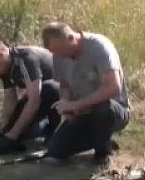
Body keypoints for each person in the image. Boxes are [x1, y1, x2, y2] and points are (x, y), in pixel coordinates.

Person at [41, 22, 129, 167]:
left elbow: (113, 89)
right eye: (54, 52)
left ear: (71, 38)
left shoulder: (99, 48)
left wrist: (76, 104)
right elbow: (64, 85)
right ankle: (99, 139)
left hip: (112, 109)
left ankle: (103, 152)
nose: (58, 56)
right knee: (56, 151)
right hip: (81, 111)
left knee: (103, 107)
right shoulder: (58, 54)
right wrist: (65, 106)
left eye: (60, 50)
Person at [0, 39, 60, 154]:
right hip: (41, 97)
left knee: (48, 88)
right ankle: (43, 129)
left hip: (62, 94)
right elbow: (10, 99)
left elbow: (34, 100)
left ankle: (56, 130)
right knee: (5, 129)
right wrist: (5, 125)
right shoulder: (5, 66)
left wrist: (12, 136)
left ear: (1, 55)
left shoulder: (26, 59)